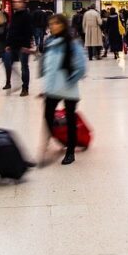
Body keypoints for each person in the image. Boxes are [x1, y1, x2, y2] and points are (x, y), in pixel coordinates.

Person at [41, 14, 88, 165]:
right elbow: (47, 66)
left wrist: (69, 81)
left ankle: (70, 152)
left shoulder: (72, 43)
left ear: (63, 25)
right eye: (51, 24)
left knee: (70, 119)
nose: (52, 26)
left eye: (56, 23)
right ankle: (59, 140)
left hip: (68, 88)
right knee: (47, 117)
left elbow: (81, 67)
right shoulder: (49, 42)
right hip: (52, 88)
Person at [6, 0, 33, 96]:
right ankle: (16, 81)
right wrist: (8, 44)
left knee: (24, 67)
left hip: (23, 46)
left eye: (17, 2)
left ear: (22, 4)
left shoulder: (27, 16)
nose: (15, 4)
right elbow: (11, 30)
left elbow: (29, 31)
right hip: (14, 45)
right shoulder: (14, 15)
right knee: (10, 64)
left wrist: (26, 46)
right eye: (14, 2)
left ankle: (25, 88)